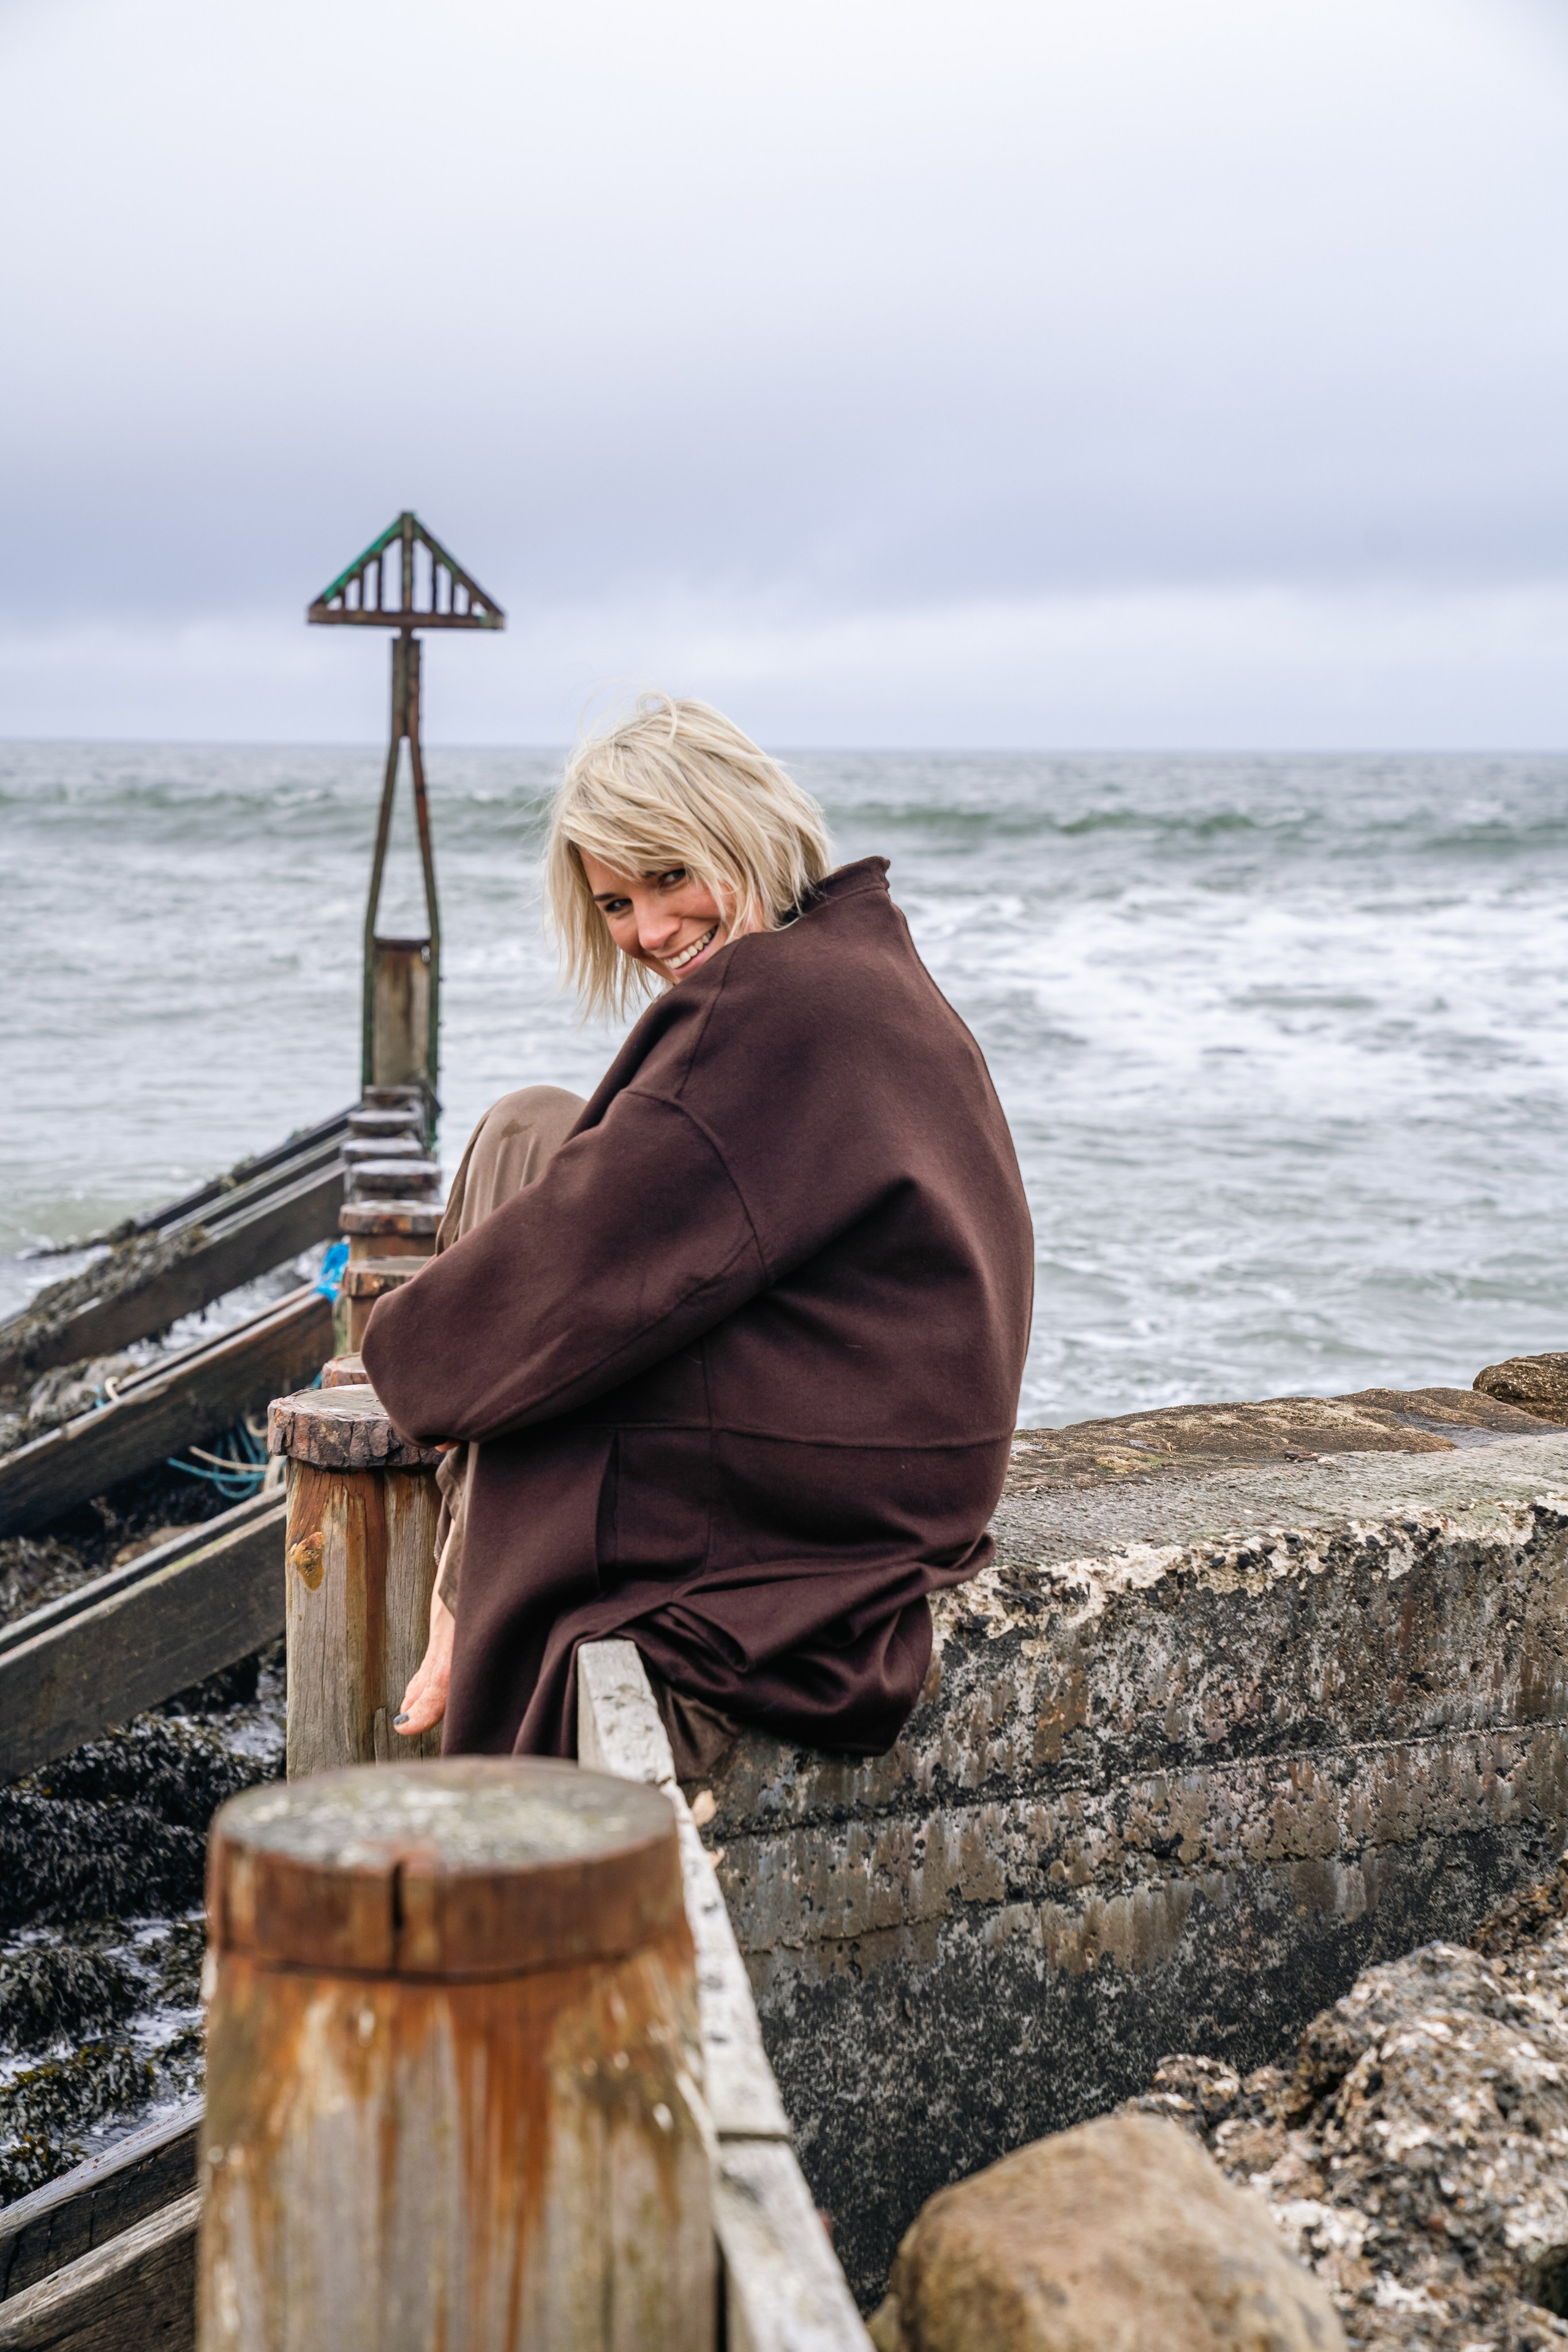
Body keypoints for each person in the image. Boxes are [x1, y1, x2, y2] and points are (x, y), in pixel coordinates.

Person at [361, 694, 1034, 1774]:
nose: (651, 932)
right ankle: (459, 1568)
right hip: (914, 1459)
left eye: (673, 877)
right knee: (529, 1125)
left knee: (522, 1340)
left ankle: (457, 1591)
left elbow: (463, 1353)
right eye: (617, 903)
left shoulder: (767, 1008)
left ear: (747, 831)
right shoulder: (857, 965)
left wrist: (397, 1350)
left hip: (835, 1491)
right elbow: (614, 1224)